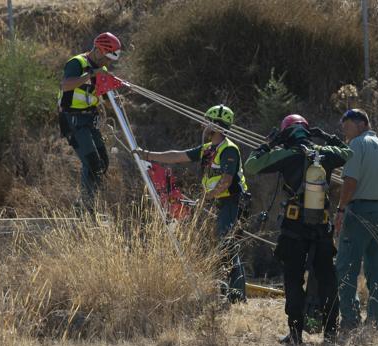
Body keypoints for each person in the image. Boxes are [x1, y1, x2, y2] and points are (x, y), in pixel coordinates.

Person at [244, 114, 352, 345]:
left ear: (286, 133)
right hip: (321, 227)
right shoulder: (325, 154)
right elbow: (348, 152)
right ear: (307, 131)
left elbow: (252, 164)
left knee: (293, 281)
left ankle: (295, 336)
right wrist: (326, 136)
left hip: (293, 228)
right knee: (327, 280)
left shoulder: (286, 155)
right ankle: (331, 334)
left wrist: (270, 143)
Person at [136, 105, 248, 302]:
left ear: (215, 125)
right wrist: (147, 154)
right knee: (222, 245)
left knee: (228, 245)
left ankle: (237, 296)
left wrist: (208, 196)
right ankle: (226, 291)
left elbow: (227, 181)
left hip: (232, 201)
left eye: (206, 122)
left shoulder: (228, 149)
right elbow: (177, 156)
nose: (203, 125)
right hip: (218, 201)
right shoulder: (208, 149)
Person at [334, 109, 378, 331]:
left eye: (347, 126)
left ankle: (350, 320)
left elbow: (350, 181)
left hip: (359, 211)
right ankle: (376, 321)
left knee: (346, 267)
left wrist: (341, 210)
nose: (345, 132)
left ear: (361, 124)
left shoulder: (357, 145)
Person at [58, 32, 122, 212]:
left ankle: (83, 203)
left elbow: (105, 94)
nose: (107, 63)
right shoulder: (77, 63)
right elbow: (66, 85)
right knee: (92, 162)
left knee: (103, 162)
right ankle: (86, 208)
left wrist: (117, 98)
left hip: (90, 119)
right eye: (107, 58)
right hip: (72, 119)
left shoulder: (103, 70)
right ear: (99, 50)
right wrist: (91, 74)